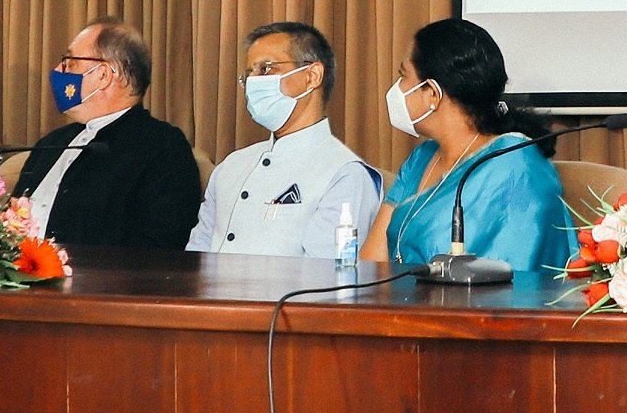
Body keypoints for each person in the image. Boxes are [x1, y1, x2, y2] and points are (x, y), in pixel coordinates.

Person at [360, 19, 576, 272]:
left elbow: (513, 274)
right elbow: (370, 263)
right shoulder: (421, 158)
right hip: (397, 295)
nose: (397, 88)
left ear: (432, 93)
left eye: (403, 76)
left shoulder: (516, 166)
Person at [187, 21, 381, 258]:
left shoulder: (345, 174)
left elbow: (326, 274)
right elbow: (196, 255)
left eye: (266, 69)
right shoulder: (232, 165)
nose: (253, 81)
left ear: (312, 76)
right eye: (249, 74)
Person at [12, 17, 201, 249]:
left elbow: (160, 243)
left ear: (103, 74)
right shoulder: (52, 143)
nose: (58, 71)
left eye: (69, 63)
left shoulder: (162, 147)